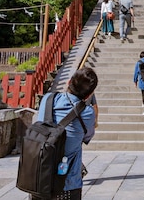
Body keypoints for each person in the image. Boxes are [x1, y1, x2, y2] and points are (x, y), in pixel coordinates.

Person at [35, 68, 98, 200]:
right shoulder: (87, 113)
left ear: (69, 82)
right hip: (68, 182)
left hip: (39, 177)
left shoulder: (47, 99)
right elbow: (87, 137)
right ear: (89, 95)